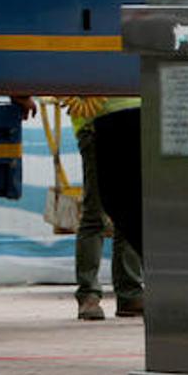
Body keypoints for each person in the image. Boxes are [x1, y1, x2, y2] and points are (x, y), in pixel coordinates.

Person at [69, 96, 144, 320]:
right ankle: (88, 294)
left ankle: (130, 293)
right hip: (95, 121)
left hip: (137, 115)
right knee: (96, 212)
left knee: (130, 209)